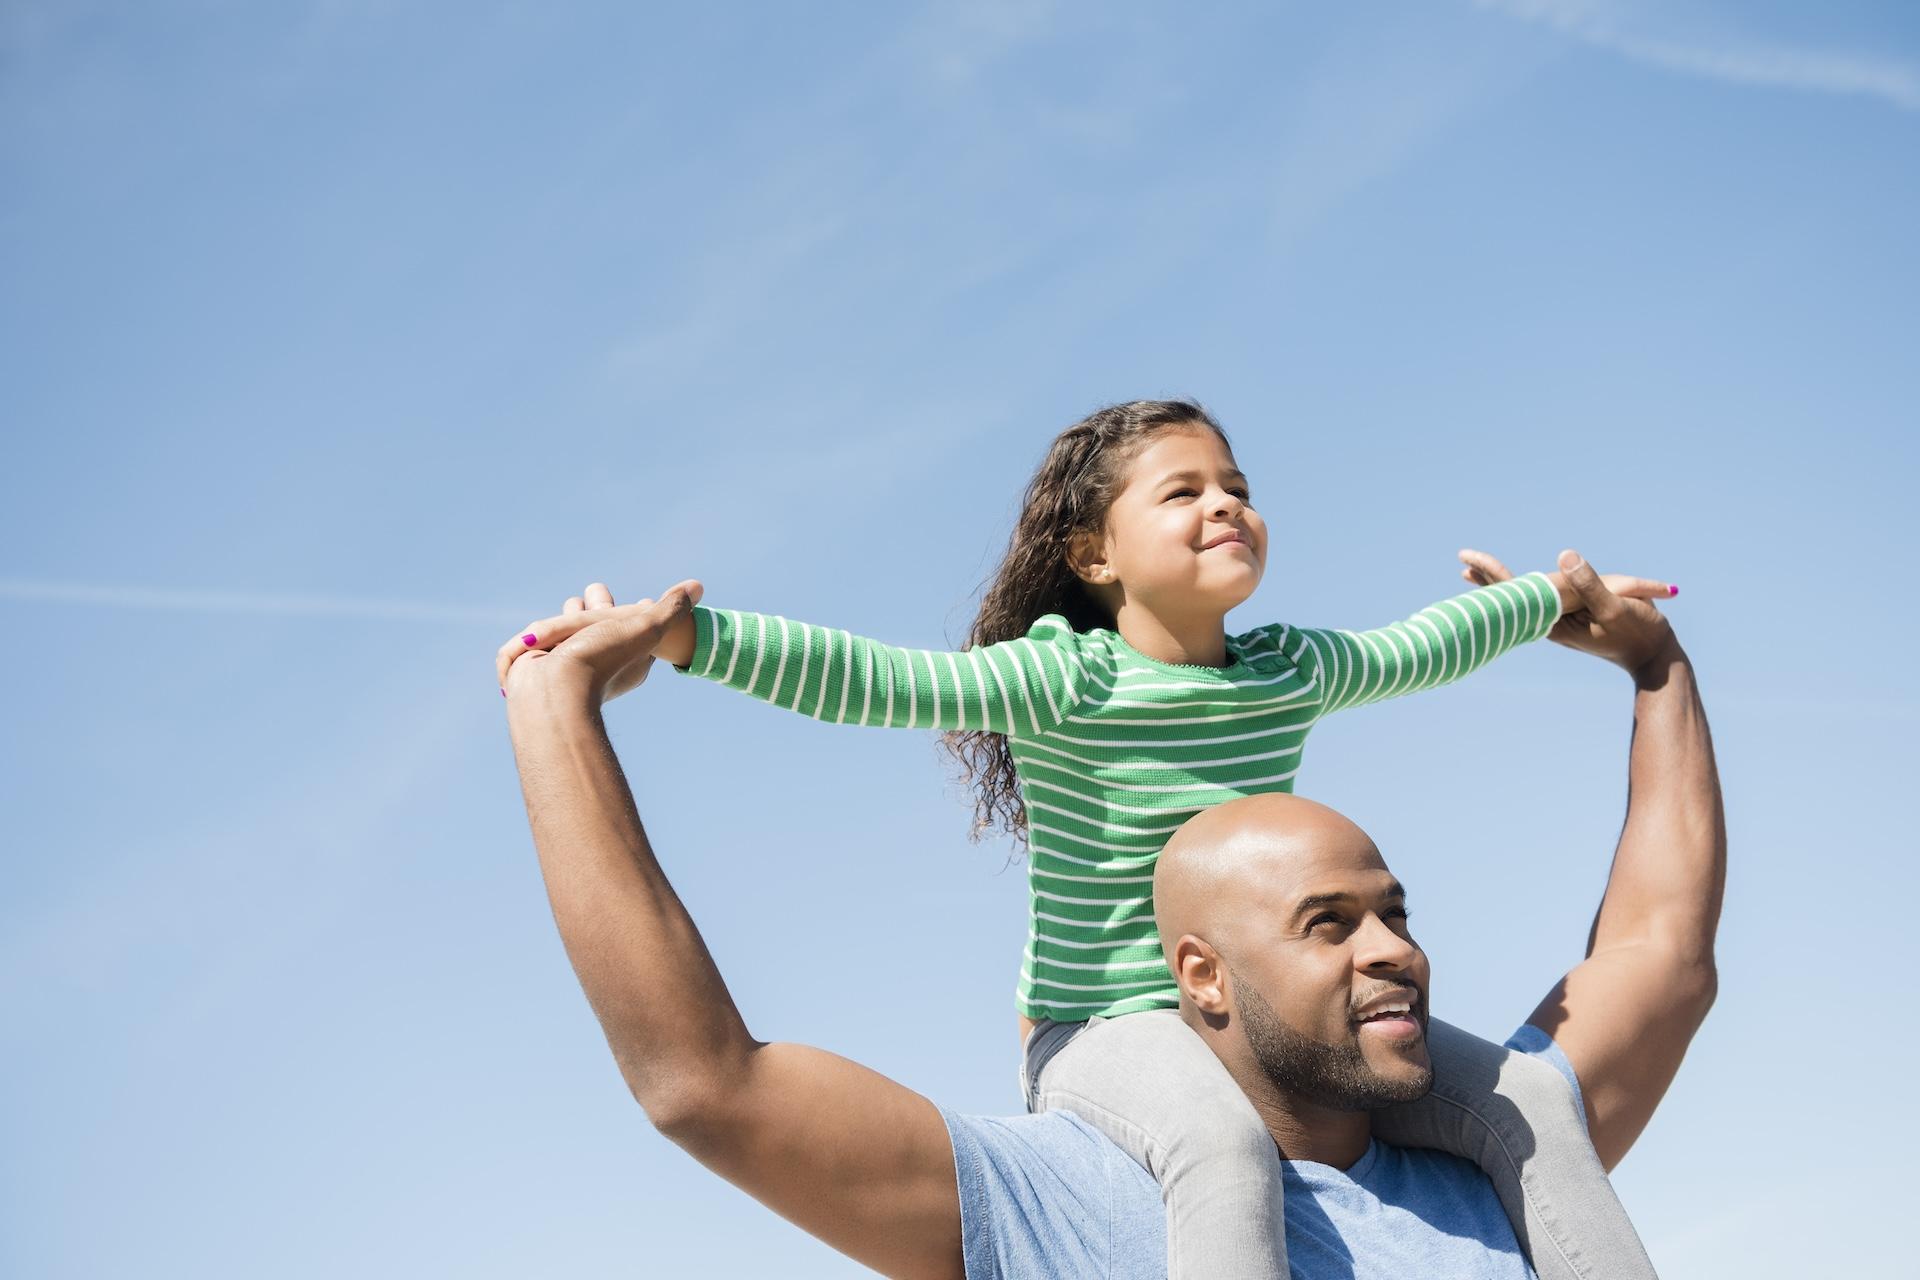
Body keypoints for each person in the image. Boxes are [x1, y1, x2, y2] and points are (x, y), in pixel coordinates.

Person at [495, 401, 1676, 1279]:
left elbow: (1432, 643)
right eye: (1181, 491)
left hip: (1265, 1017)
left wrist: (1551, 600)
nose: (1224, 503)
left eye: (1236, 483)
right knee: (1219, 1147)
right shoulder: (1065, 678)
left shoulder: (1291, 669)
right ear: (1095, 557)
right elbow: (875, 680)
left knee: (1527, 1095)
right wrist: (686, 636)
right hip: (1106, 1030)